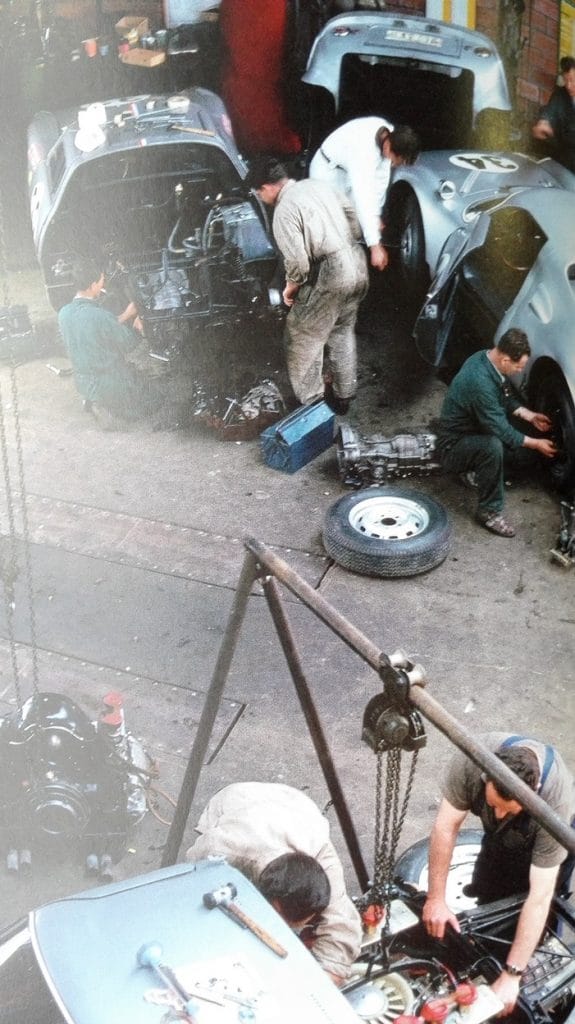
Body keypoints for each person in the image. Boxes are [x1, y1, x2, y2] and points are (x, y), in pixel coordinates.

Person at [423, 733, 575, 1015]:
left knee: (540, 909)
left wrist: (512, 975)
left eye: (509, 810)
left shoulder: (554, 804)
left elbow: (539, 896)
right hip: (501, 842)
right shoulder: (471, 762)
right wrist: (436, 899)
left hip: (547, 842)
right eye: (493, 804)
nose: (499, 814)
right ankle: (484, 953)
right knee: (489, 890)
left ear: (535, 790)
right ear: (485, 777)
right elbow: (445, 828)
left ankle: (534, 966)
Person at [185, 781, 362, 983]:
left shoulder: (322, 858)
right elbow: (189, 879)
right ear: (274, 903)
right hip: (241, 798)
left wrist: (325, 978)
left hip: (298, 807)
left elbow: (342, 930)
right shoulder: (221, 850)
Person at [246, 157, 369, 413]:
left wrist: (290, 289)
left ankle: (313, 405)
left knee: (301, 335)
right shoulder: (319, 186)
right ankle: (344, 395)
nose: (260, 197)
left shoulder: (284, 210)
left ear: (268, 187)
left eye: (259, 192)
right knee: (341, 330)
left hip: (332, 271)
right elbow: (354, 220)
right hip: (357, 264)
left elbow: (298, 263)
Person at [436, 328, 557, 537]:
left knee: (514, 442)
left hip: (473, 429)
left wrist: (529, 415)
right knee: (493, 447)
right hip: (452, 447)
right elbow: (501, 430)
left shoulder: (485, 358)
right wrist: (536, 443)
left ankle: (476, 470)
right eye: (518, 367)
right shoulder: (480, 382)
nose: (520, 371)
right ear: (505, 359)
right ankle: (489, 512)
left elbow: (505, 396)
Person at [58, 258, 185, 426]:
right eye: (101, 280)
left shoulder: (64, 313)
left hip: (83, 382)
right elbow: (129, 344)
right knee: (158, 396)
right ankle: (111, 410)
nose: (103, 284)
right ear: (92, 285)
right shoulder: (101, 317)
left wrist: (124, 315)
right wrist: (140, 324)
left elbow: (93, 330)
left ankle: (95, 400)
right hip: (111, 382)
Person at [309, 118, 420, 270]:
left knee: (358, 223)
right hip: (326, 172)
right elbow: (364, 197)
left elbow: (380, 181)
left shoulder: (391, 135)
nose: (396, 165)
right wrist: (375, 246)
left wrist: (376, 216)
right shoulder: (364, 152)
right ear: (388, 147)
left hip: (346, 173)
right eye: (397, 161)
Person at [532, 56, 575, 173]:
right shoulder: (560, 94)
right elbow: (550, 112)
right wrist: (543, 123)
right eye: (566, 81)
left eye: (572, 80)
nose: (569, 86)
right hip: (563, 159)